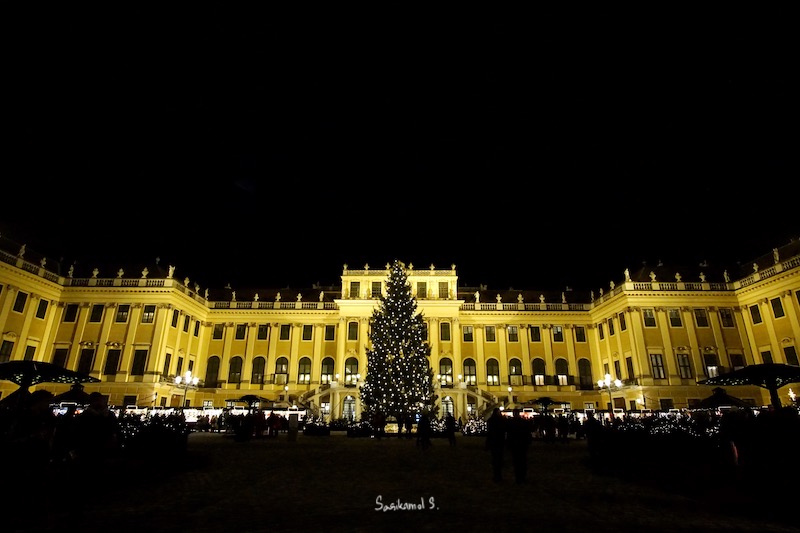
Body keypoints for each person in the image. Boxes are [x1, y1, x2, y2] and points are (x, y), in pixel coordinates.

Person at [506, 408, 533, 484]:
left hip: (514, 444)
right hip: (522, 444)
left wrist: (508, 444)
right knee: (522, 461)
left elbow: (508, 434)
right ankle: (522, 476)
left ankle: (518, 477)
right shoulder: (523, 422)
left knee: (516, 461)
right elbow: (528, 433)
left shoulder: (510, 422)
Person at [485, 407, 506, 482]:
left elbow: (489, 432)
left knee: (496, 459)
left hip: (495, 441)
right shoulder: (501, 420)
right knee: (498, 459)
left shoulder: (491, 420)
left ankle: (496, 475)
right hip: (498, 441)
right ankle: (497, 475)